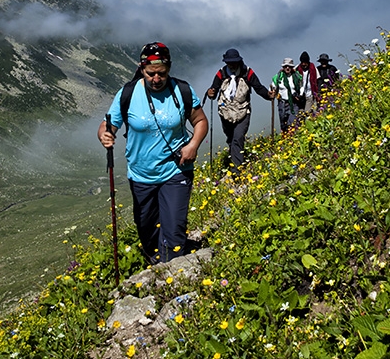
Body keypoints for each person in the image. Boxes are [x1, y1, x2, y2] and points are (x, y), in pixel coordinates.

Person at [97, 42, 208, 265]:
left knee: (174, 229)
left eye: (162, 74)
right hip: (141, 174)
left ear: (169, 69)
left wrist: (193, 144)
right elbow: (108, 124)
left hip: (176, 170)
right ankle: (156, 267)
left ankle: (173, 276)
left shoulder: (182, 91)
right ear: (141, 68)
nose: (156, 79)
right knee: (146, 230)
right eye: (150, 74)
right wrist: (105, 135)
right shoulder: (128, 93)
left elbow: (200, 121)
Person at [206, 48, 274, 172]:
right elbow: (214, 90)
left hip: (243, 111)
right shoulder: (221, 73)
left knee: (238, 137)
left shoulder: (247, 72)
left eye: (234, 62)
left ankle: (237, 172)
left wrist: (268, 95)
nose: (231, 65)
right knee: (231, 138)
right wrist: (210, 93)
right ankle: (235, 160)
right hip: (225, 112)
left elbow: (258, 87)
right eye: (229, 62)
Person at [270, 57, 303, 133]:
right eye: (285, 66)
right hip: (282, 103)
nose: (287, 68)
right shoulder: (278, 77)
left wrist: (300, 95)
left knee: (292, 123)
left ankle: (292, 140)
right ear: (283, 67)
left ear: (292, 67)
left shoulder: (296, 76)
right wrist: (272, 93)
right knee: (283, 124)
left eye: (289, 66)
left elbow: (301, 86)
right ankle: (285, 140)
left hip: (294, 103)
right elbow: (273, 87)